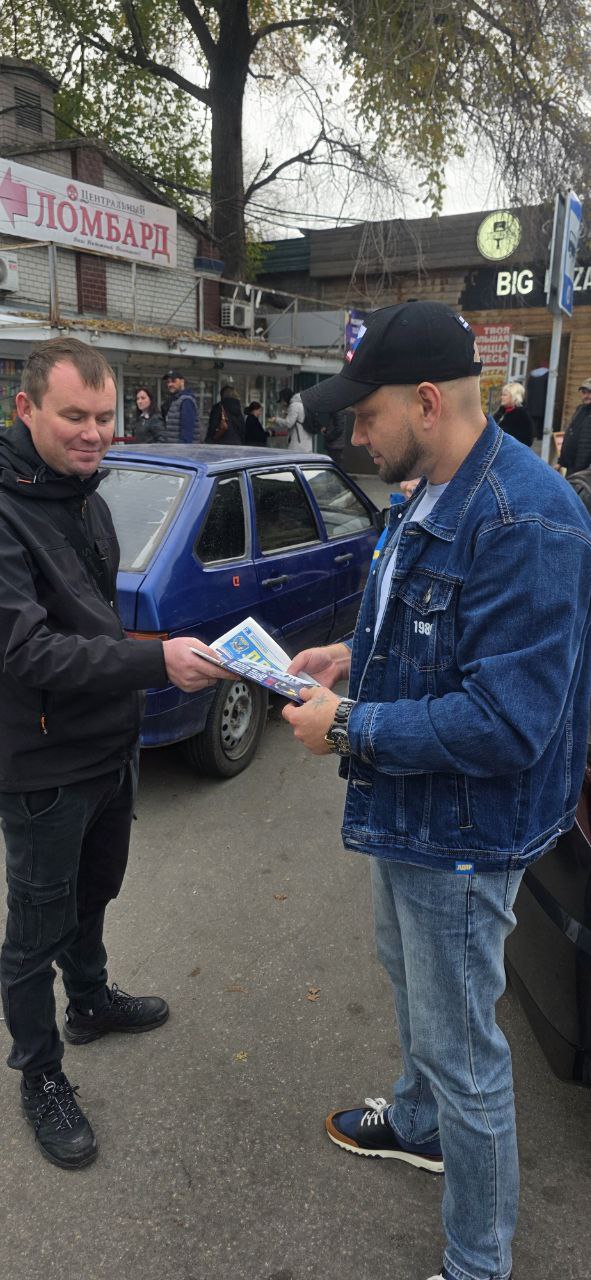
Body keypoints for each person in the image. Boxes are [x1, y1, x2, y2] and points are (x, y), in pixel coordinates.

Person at [282, 301, 591, 1280]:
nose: (353, 435)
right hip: (414, 813)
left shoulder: (526, 517)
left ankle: (476, 1262)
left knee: (468, 1056)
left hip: (464, 832)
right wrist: (347, 657)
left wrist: (350, 726)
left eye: (364, 417)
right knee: (408, 976)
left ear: (426, 400)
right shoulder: (426, 482)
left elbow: (508, 722)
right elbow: (418, 630)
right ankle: (416, 1121)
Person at [0, 338, 227, 1170]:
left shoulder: (86, 496)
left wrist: (148, 656)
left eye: (104, 417)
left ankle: (89, 1001)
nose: (95, 433)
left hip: (107, 743)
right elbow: (28, 653)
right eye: (74, 418)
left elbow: (92, 617)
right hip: (42, 762)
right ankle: (40, 1075)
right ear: (25, 409)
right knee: (34, 927)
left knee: (97, 888)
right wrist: (153, 659)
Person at [558, 378, 591, 475]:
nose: (586, 396)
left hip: (585, 470)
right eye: (584, 392)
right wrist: (561, 461)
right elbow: (570, 434)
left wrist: (580, 468)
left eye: (590, 392)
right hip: (572, 467)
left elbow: (586, 444)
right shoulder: (580, 409)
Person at [274, 387, 315, 452]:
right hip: (306, 442)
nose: (282, 403)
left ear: (284, 398)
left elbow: (288, 423)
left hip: (298, 443)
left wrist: (276, 419)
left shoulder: (294, 405)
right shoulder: (302, 404)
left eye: (282, 400)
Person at [164, 369, 199, 443]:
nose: (170, 384)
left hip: (181, 451)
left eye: (173, 381)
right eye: (168, 382)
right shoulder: (175, 400)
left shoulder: (186, 401)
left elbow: (187, 432)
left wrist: (182, 452)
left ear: (182, 382)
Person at [494, 381, 534, 446]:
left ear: (514, 396)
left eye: (505, 395)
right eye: (502, 395)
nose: (502, 397)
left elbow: (527, 440)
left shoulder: (522, 415)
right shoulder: (501, 411)